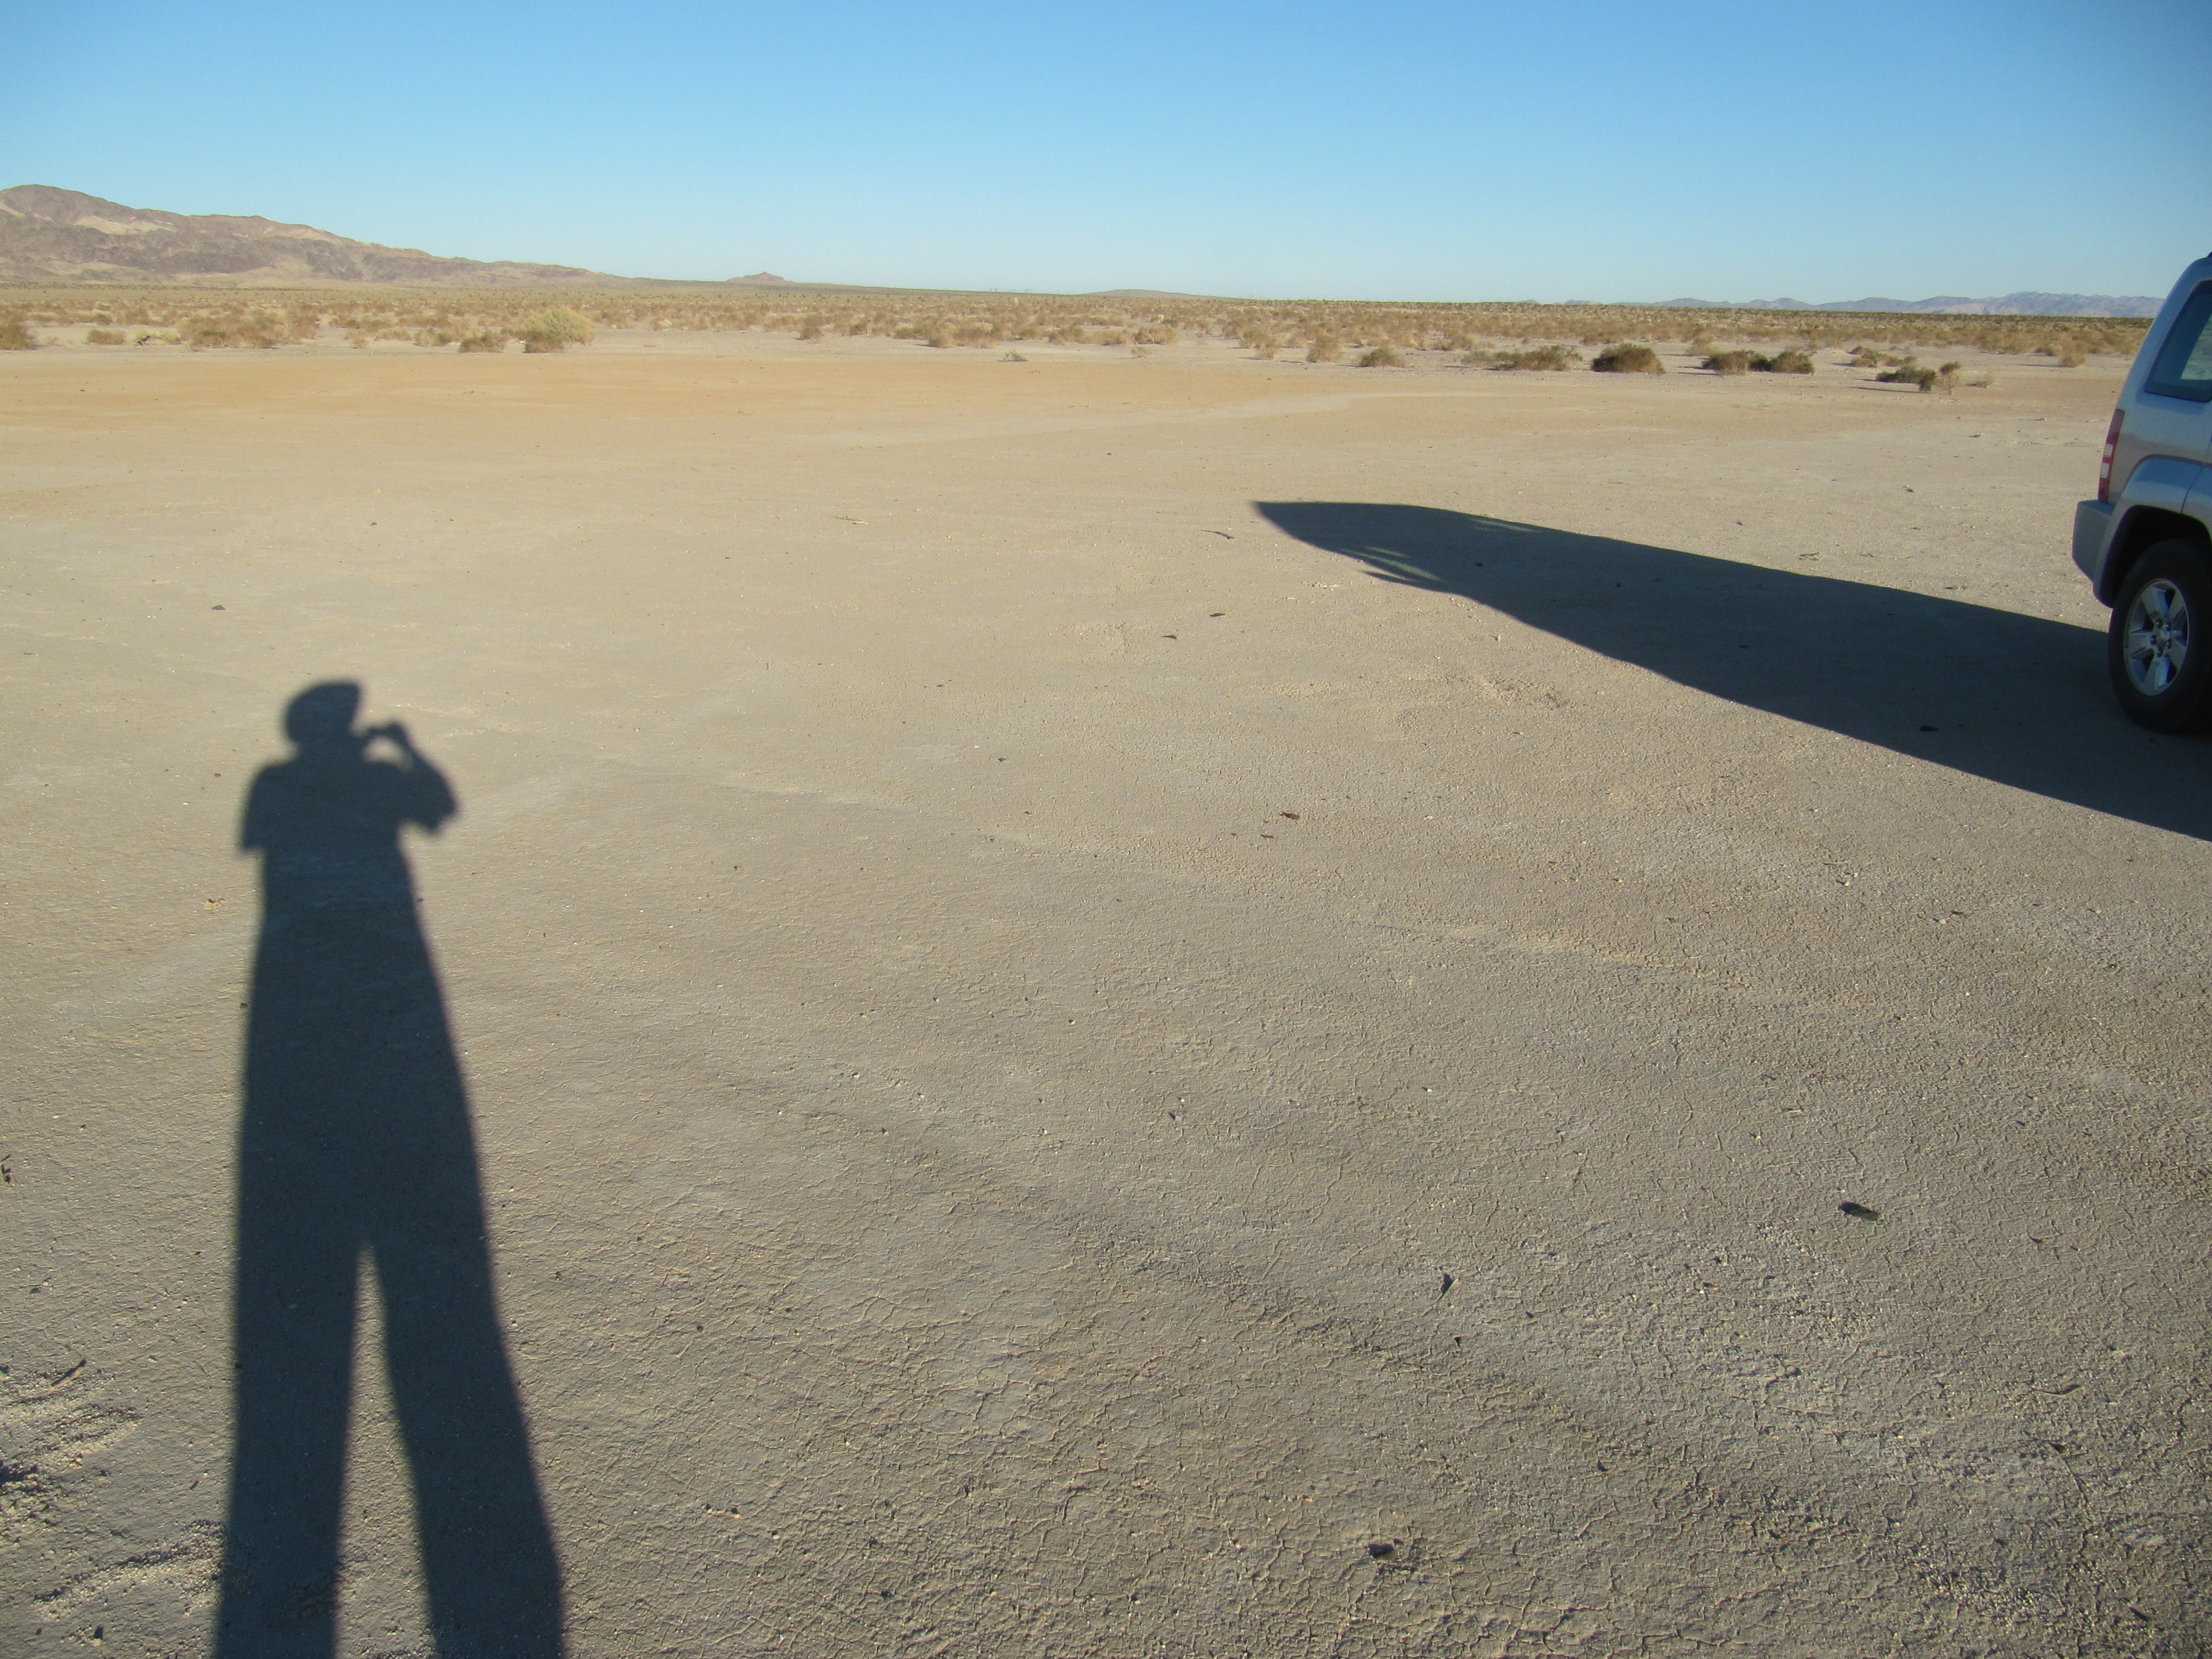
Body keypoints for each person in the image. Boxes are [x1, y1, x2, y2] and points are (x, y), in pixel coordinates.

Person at [218, 682, 562, 1658]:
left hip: (294, 1010)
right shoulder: (341, 779)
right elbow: (439, 808)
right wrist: (406, 752)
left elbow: (269, 839)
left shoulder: (272, 785)